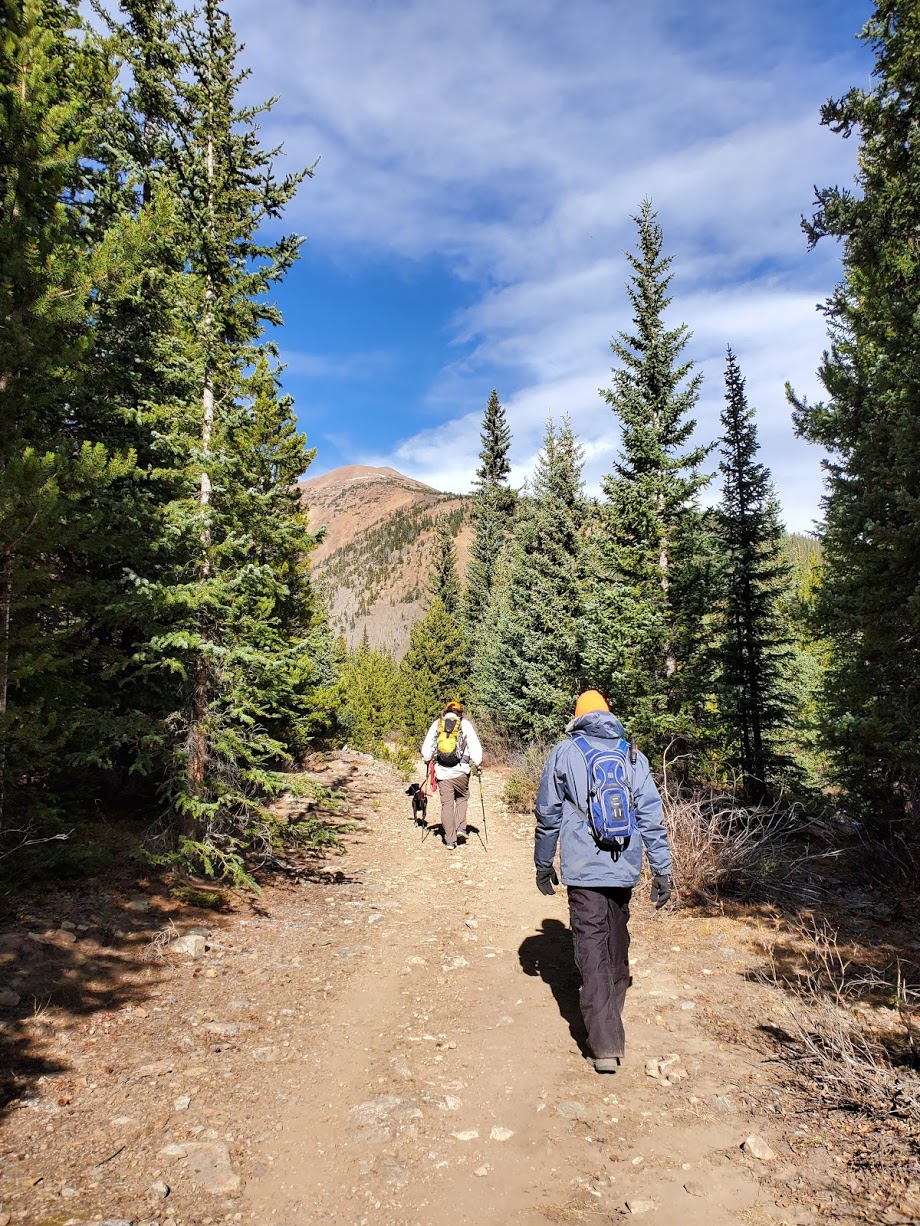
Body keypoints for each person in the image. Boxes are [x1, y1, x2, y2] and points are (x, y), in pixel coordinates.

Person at [533, 690, 672, 1073]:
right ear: (609, 715)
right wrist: (662, 870)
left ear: (577, 717)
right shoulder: (632, 754)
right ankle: (610, 1019)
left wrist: (543, 864)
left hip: (583, 867)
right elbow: (651, 818)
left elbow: (548, 814)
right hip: (625, 863)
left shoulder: (565, 752)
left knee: (591, 948)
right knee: (616, 940)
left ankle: (606, 1043)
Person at [421, 701, 483, 849]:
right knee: (462, 797)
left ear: (446, 711)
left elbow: (427, 747)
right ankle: (461, 828)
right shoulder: (465, 724)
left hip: (442, 772)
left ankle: (450, 840)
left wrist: (426, 759)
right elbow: (474, 745)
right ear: (459, 713)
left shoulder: (438, 724)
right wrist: (478, 763)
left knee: (447, 805)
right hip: (461, 771)